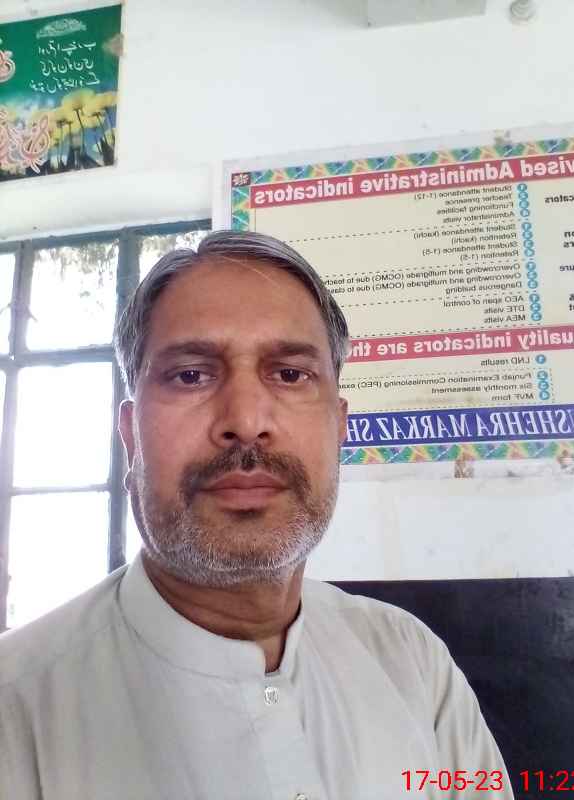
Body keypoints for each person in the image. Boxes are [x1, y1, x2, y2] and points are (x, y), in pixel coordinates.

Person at [0, 230, 514, 799]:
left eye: (290, 374)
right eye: (190, 375)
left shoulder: (412, 664)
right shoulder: (14, 708)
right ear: (130, 437)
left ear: (339, 428)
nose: (246, 421)